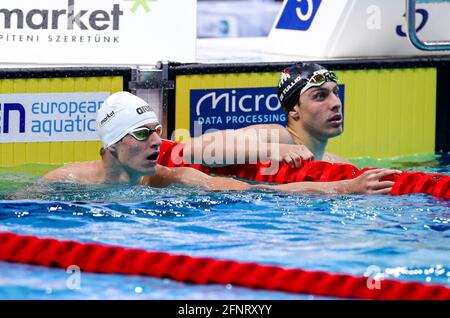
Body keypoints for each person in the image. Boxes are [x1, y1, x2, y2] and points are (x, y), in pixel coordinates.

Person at [42, 91, 399, 195]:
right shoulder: (65, 182)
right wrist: (273, 151)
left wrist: (345, 187)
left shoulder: (173, 178)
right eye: (141, 133)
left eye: (156, 130)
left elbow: (264, 195)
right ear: (112, 145)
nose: (156, 141)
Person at [183, 62, 349, 169]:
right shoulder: (278, 138)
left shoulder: (337, 164)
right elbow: (193, 149)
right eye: (320, 96)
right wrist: (274, 150)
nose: (336, 103)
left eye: (336, 92)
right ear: (293, 110)